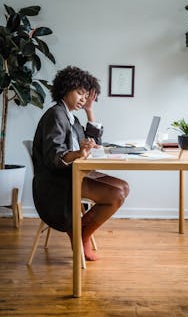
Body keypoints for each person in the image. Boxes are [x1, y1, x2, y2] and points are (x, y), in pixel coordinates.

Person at [32, 66, 129, 261]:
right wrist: (78, 153)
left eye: (86, 95)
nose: (83, 98)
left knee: (124, 187)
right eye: (79, 93)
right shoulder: (56, 115)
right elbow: (54, 156)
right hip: (59, 181)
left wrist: (90, 110)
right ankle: (82, 235)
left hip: (76, 174)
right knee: (117, 194)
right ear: (65, 89)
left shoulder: (71, 117)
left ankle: (81, 233)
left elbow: (94, 142)